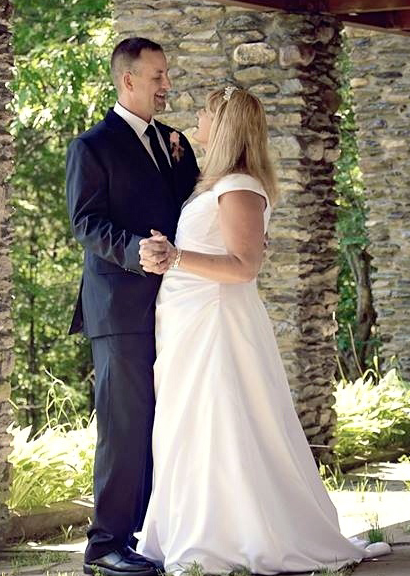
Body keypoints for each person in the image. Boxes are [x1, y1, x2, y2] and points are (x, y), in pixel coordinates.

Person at [135, 87, 369, 575]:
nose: (197, 119)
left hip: (216, 323)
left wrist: (175, 257)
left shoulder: (239, 186)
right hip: (190, 322)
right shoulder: (220, 182)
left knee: (217, 420)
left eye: (206, 112)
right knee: (189, 424)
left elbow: (244, 267)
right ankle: (190, 531)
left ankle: (224, 539)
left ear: (223, 126)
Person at [66, 37, 199, 576]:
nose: (167, 84)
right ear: (128, 80)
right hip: (119, 308)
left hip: (179, 305)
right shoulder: (92, 146)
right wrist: (134, 251)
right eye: (158, 75)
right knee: (124, 428)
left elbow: (191, 209)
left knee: (166, 421)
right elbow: (86, 222)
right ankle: (105, 545)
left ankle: (149, 533)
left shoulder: (174, 142)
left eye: (166, 74)